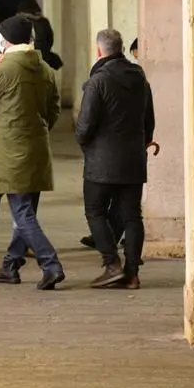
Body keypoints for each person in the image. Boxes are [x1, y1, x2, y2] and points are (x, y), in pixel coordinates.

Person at [0, 15, 64, 290]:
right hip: (37, 147)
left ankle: (50, 263)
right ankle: (11, 265)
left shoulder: (5, 68)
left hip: (12, 150)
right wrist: (40, 127)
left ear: (6, 40)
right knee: (27, 209)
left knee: (22, 212)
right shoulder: (45, 68)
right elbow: (54, 109)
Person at [76, 29, 155, 290]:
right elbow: (149, 121)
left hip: (102, 162)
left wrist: (86, 145)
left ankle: (112, 265)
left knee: (95, 211)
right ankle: (132, 274)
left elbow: (85, 126)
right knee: (132, 216)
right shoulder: (140, 79)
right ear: (121, 48)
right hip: (133, 158)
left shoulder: (98, 82)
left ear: (99, 51)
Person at [17, 0, 63, 71]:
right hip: (43, 60)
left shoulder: (19, 23)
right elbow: (50, 40)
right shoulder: (44, 22)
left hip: (24, 61)